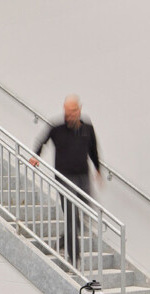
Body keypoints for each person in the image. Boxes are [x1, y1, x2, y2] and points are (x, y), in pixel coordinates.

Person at [31, 94, 101, 266]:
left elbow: (93, 149)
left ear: (79, 110)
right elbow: (42, 142)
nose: (69, 115)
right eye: (67, 112)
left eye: (72, 112)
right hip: (64, 178)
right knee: (70, 216)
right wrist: (35, 156)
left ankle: (63, 240)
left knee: (85, 211)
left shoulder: (87, 128)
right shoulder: (57, 128)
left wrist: (98, 169)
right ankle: (73, 258)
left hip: (83, 177)